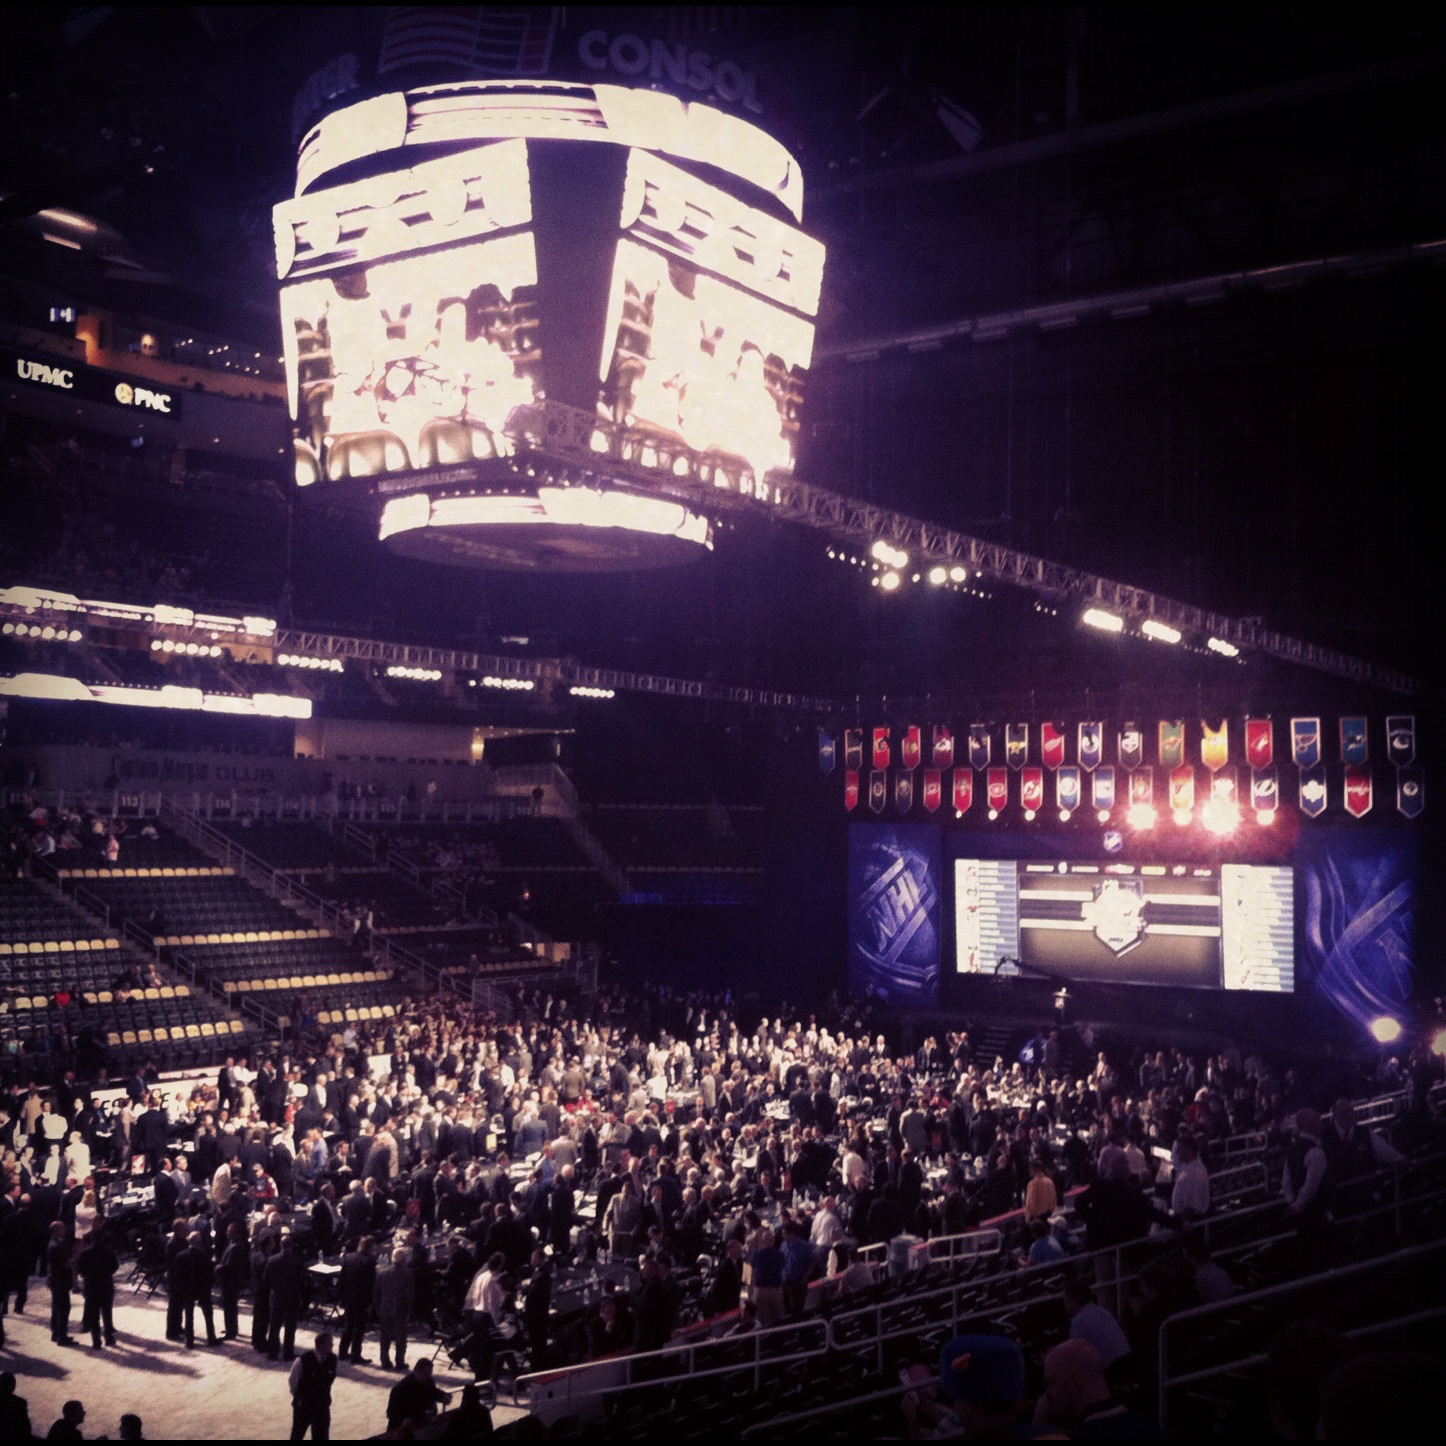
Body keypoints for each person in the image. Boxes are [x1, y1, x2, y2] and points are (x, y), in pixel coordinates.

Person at [1035, 1338, 1161, 1438]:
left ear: (1074, 1385)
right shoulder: (1148, 1426)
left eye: (1051, 1383)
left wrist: (1037, 1430)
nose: (1048, 1393)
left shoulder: (1081, 1436)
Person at [288, 1330, 337, 1442]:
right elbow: (293, 1381)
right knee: (297, 1435)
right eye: (329, 1343)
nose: (332, 1346)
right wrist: (301, 1398)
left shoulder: (332, 1359)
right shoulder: (303, 1360)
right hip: (304, 1407)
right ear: (320, 1345)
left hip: (322, 1406)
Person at [374, 1244, 415, 1371]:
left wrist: (377, 1308)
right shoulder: (408, 1274)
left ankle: (384, 1360)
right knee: (400, 1338)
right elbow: (410, 1295)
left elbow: (376, 1292)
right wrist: (411, 1311)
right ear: (404, 1259)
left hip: (384, 1308)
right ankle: (399, 1361)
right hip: (400, 1309)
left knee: (385, 1337)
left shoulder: (382, 1273)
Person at [338, 1236, 377, 1364]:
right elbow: (371, 1283)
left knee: (348, 1325)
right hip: (362, 1299)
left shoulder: (348, 1257)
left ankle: (342, 1352)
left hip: (349, 1297)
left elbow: (342, 1278)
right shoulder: (370, 1261)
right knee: (359, 1328)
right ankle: (356, 1355)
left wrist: (342, 1296)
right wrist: (371, 1301)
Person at [77, 1228, 118, 1348]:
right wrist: (107, 1273)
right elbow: (115, 1266)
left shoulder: (85, 1253)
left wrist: (87, 1275)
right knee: (107, 1313)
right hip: (106, 1285)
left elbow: (79, 1269)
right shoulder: (108, 1251)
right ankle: (109, 1338)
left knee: (93, 1315)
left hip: (91, 1286)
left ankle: (96, 1341)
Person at [386, 1357, 452, 1432]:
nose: (428, 1377)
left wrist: (443, 1396)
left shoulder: (428, 1381)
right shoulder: (401, 1389)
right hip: (403, 1430)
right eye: (425, 1374)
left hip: (423, 1424)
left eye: (429, 1374)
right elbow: (392, 1414)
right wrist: (403, 1421)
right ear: (416, 1371)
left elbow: (433, 1392)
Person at [47, 1220, 76, 1346]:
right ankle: (61, 1336)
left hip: (57, 1280)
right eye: (62, 1228)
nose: (65, 1230)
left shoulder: (57, 1242)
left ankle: (56, 1333)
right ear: (56, 1230)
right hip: (60, 1281)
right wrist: (71, 1262)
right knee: (63, 1308)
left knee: (56, 1308)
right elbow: (61, 1264)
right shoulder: (56, 1245)